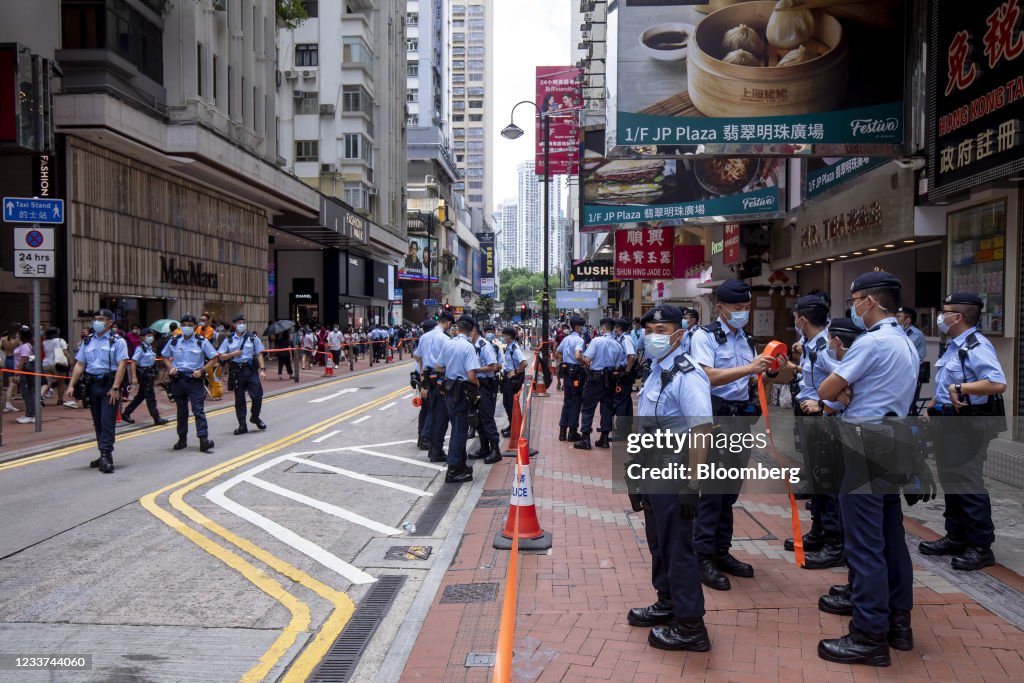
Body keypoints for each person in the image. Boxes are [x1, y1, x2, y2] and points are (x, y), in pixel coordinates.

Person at [816, 271, 919, 667]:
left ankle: (868, 635)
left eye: (855, 300)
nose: (853, 307)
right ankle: (898, 622)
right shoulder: (907, 343)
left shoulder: (873, 342)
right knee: (890, 537)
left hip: (863, 443)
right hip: (893, 441)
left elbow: (827, 390)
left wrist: (840, 389)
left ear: (872, 302)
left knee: (863, 544)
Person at [628, 304, 713, 652]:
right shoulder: (657, 370)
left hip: (676, 472)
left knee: (678, 548)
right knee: (659, 543)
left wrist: (693, 486)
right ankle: (667, 603)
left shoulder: (688, 374)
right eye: (650, 331)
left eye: (661, 331)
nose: (653, 337)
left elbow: (701, 430)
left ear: (679, 334)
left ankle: (691, 625)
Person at [688, 279, 778, 591]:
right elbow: (706, 376)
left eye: (747, 308)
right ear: (720, 307)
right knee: (712, 493)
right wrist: (750, 369)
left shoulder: (746, 339)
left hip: (741, 420)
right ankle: (702, 557)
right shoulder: (705, 336)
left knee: (729, 491)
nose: (743, 313)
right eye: (737, 308)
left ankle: (720, 551)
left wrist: (765, 374)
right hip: (715, 418)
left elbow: (751, 381)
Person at [921, 292, 1007, 571]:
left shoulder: (975, 345)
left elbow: (997, 383)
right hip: (948, 422)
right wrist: (935, 403)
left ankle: (981, 546)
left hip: (967, 425)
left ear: (957, 317)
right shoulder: (954, 344)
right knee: (951, 480)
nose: (941, 317)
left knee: (968, 483)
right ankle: (956, 536)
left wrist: (961, 389)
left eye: (944, 312)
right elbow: (950, 380)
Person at [783, 295, 846, 570]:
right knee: (818, 479)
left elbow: (846, 381)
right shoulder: (812, 346)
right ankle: (819, 532)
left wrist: (824, 405)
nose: (795, 322)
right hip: (809, 417)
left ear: (802, 319)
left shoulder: (825, 347)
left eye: (796, 317)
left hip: (823, 420)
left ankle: (835, 544)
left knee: (827, 481)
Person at [64, 309, 129, 473]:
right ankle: (103, 453)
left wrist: (115, 387)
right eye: (96, 319)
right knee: (98, 421)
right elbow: (80, 364)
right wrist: (71, 385)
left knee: (107, 421)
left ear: (110, 322)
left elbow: (122, 365)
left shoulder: (118, 341)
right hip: (92, 385)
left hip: (109, 385)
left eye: (101, 319)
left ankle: (106, 455)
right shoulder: (88, 341)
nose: (97, 322)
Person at [162, 314, 218, 453]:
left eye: (189, 325)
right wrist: (170, 368)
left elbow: (214, 358)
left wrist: (202, 370)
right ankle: (182, 439)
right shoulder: (174, 341)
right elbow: (164, 356)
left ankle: (203, 439)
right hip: (178, 380)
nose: (186, 327)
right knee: (181, 411)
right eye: (184, 324)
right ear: (181, 326)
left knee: (198, 410)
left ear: (195, 326)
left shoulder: (201, 341)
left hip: (194, 379)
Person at [440, 315, 481, 483]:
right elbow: (471, 375)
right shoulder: (468, 346)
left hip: (449, 389)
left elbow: (438, 366)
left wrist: (452, 370)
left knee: (457, 428)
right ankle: (454, 469)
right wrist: (477, 385)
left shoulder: (448, 343)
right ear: (471, 330)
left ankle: (460, 465)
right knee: (459, 431)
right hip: (462, 392)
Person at [575, 318, 626, 450]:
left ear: (603, 328)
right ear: (612, 328)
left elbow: (586, 358)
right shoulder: (618, 345)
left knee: (588, 407)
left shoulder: (597, 341)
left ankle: (585, 438)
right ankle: (604, 439)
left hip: (595, 379)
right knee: (607, 409)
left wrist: (587, 364)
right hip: (610, 380)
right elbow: (617, 366)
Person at [219, 314, 267, 435]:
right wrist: (232, 354)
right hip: (236, 371)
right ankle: (242, 425)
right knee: (239, 399)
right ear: (234, 325)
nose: (242, 325)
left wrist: (262, 369)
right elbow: (220, 355)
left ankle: (255, 417)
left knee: (257, 395)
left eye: (243, 322)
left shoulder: (252, 338)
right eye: (239, 322)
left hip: (250, 370)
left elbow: (259, 354)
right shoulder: (228, 339)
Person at [417, 311, 455, 461]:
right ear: (449, 324)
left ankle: (432, 448)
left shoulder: (424, 337)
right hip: (440, 378)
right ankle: (436, 451)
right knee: (441, 417)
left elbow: (417, 356)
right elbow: (449, 361)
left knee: (431, 413)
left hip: (428, 379)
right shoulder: (445, 339)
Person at [121, 327, 169, 426]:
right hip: (144, 375)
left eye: (151, 336)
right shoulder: (140, 348)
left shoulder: (150, 348)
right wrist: (134, 377)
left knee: (140, 396)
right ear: (142, 337)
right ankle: (156, 418)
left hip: (150, 374)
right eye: (148, 336)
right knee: (151, 397)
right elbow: (134, 362)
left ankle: (126, 413)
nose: (150, 338)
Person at [469, 323, 502, 464]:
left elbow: (494, 366)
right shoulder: (472, 345)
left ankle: (495, 450)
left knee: (487, 417)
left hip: (485, 385)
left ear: (474, 331)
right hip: (475, 385)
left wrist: (475, 370)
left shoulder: (484, 345)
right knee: (477, 419)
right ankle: (484, 448)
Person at [556, 316, 587, 443]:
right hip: (576, 373)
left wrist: (566, 361)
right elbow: (578, 355)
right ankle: (572, 433)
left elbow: (557, 353)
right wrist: (584, 362)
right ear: (578, 327)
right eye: (582, 326)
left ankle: (562, 432)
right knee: (576, 402)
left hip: (567, 372)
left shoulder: (566, 339)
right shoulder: (579, 340)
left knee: (567, 401)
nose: (583, 328)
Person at [500, 326, 527, 437]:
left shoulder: (514, 347)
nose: (502, 337)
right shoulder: (509, 346)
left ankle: (514, 427)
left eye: (503, 335)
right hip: (507, 378)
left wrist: (516, 372)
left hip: (513, 379)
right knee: (506, 403)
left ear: (508, 337)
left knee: (511, 404)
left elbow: (524, 363)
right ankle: (512, 424)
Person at [612, 318, 637, 419]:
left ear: (619, 328)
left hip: (624, 372)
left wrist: (626, 372)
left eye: (615, 327)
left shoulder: (626, 339)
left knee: (620, 400)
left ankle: (621, 429)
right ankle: (626, 426)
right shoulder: (621, 338)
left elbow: (631, 356)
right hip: (623, 371)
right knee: (625, 399)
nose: (614, 329)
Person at [12, 327, 38, 425]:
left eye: (18, 334)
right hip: (23, 373)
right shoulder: (24, 345)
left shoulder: (25, 346)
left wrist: (16, 373)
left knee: (27, 394)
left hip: (24, 373)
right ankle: (29, 413)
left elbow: (23, 360)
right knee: (26, 393)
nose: (17, 335)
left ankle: (31, 415)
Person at [41, 327, 70, 404]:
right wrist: (69, 361)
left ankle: (40, 396)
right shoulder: (60, 340)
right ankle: (60, 399)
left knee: (47, 382)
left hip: (46, 363)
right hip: (58, 363)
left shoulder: (44, 342)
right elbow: (65, 352)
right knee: (61, 382)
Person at [3, 322, 22, 413]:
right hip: (15, 361)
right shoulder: (18, 339)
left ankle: (8, 403)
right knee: (14, 382)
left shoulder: (3, 338)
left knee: (11, 384)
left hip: (7, 360)